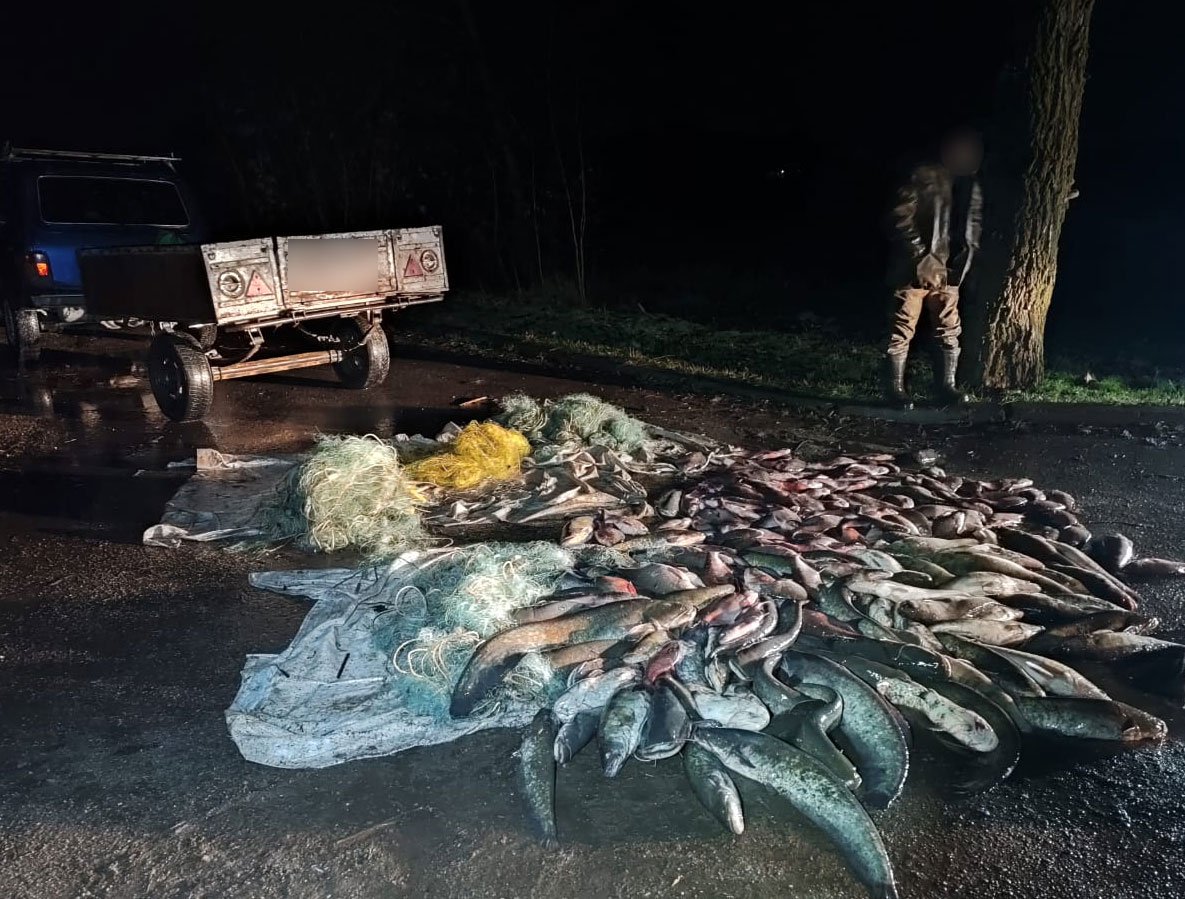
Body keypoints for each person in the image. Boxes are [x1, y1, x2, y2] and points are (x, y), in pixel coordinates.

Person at [885, 128, 983, 408]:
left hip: (950, 269)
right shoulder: (923, 174)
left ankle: (946, 387)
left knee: (949, 328)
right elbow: (900, 217)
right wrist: (920, 257)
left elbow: (973, 226)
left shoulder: (973, 183)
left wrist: (965, 264)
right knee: (902, 326)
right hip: (915, 271)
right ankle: (895, 389)